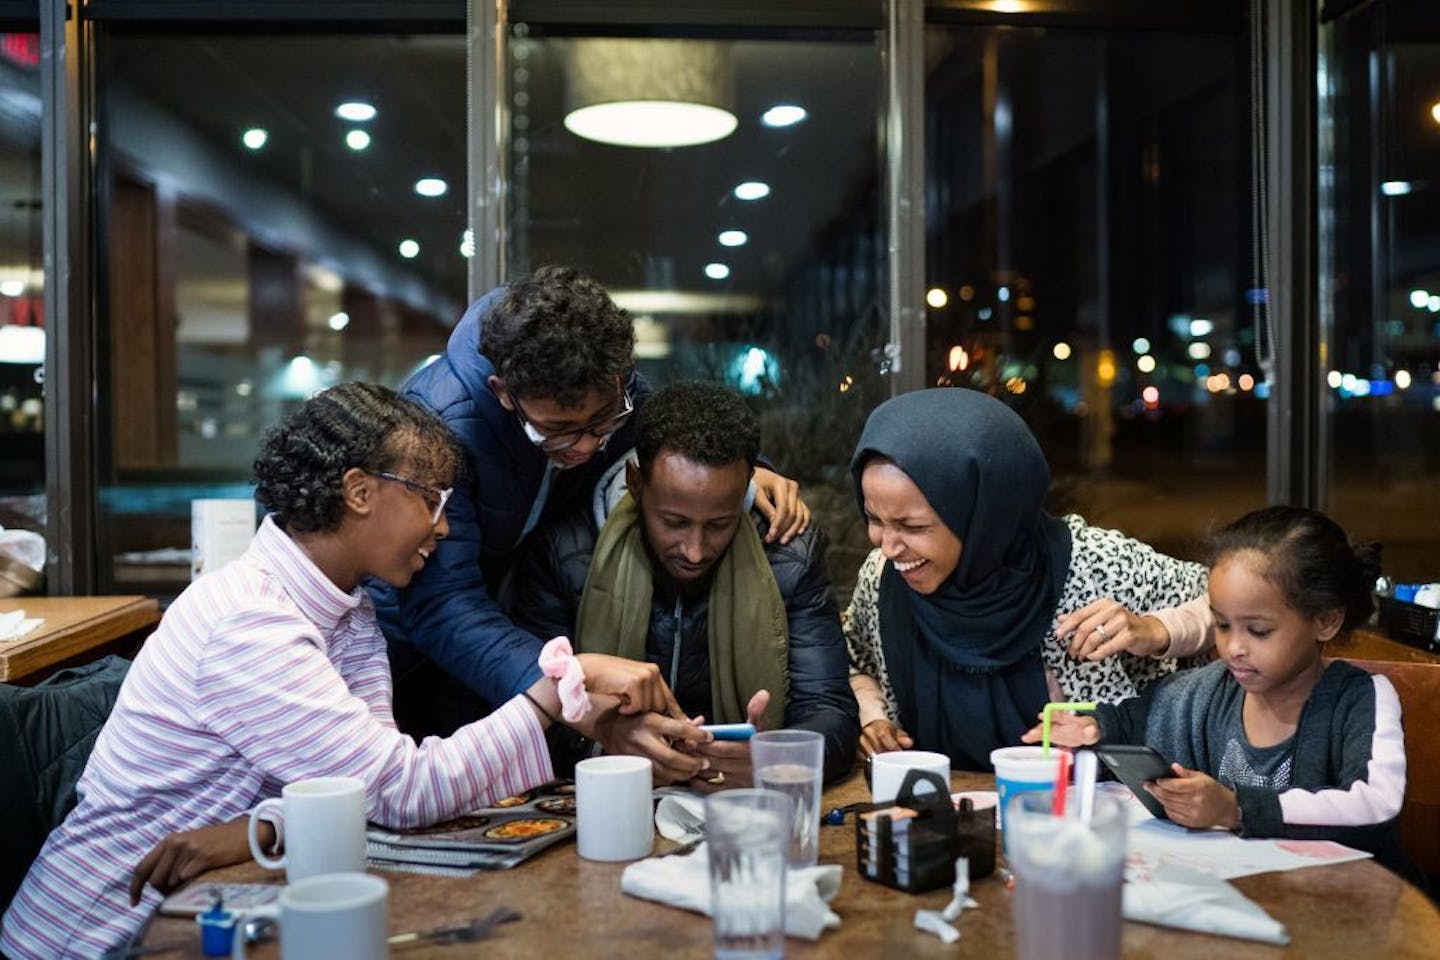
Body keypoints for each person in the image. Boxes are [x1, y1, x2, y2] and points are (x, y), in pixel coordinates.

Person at [0, 383, 684, 958]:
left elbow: (364, 788)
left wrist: (260, 829)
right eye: (433, 501)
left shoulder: (345, 612)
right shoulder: (252, 623)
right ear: (359, 490)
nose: (443, 528)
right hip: (102, 934)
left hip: (213, 910)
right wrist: (544, 698)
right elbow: (400, 790)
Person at [374, 266, 808, 770]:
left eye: (601, 423)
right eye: (558, 431)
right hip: (412, 649)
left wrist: (752, 473)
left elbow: (678, 435)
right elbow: (441, 605)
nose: (584, 447)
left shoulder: (604, 380)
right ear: (503, 392)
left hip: (509, 620)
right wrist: (572, 687)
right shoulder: (444, 427)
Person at [513, 382, 859, 787]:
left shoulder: (787, 553)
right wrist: (607, 740)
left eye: (719, 524)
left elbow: (831, 709)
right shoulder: (567, 550)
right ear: (636, 483)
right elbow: (528, 711)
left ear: (748, 487)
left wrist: (773, 760)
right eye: (674, 522)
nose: (695, 551)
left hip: (741, 803)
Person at [845, 388, 1208, 770]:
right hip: (940, 815)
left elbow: (1235, 604)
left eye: (912, 526)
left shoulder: (1091, 564)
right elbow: (854, 660)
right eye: (874, 520)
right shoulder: (883, 579)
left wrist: (1155, 629)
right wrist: (872, 716)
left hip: (1080, 810)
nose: (887, 546)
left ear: (985, 515)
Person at [1025, 506, 1406, 868]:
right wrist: (1094, 728)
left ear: (1325, 621)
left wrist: (1236, 808)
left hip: (1349, 913)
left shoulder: (1363, 699)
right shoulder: (1206, 692)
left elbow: (1376, 806)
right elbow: (1134, 721)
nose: (1233, 648)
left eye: (1258, 631)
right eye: (1222, 625)